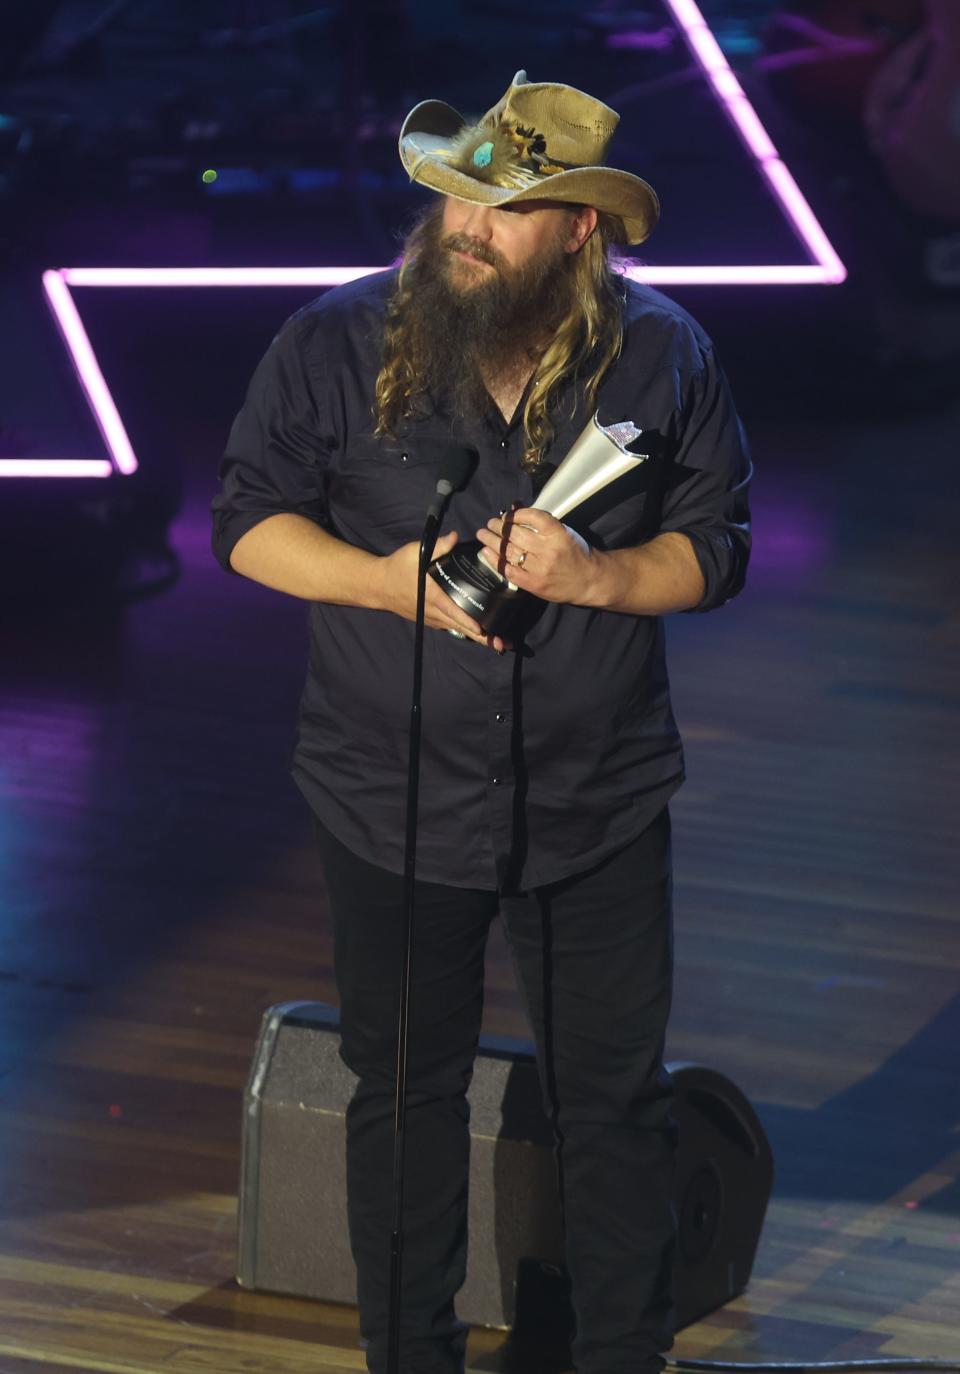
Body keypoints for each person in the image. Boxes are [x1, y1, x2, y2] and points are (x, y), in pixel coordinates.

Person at [211, 69, 752, 1374]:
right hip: (386, 788)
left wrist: (600, 577)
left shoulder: (665, 353)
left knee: (615, 1106)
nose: (466, 224)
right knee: (401, 1098)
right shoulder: (335, 342)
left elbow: (719, 545)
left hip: (595, 796)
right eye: (457, 195)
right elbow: (246, 524)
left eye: (507, 207)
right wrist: (382, 582)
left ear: (583, 232)